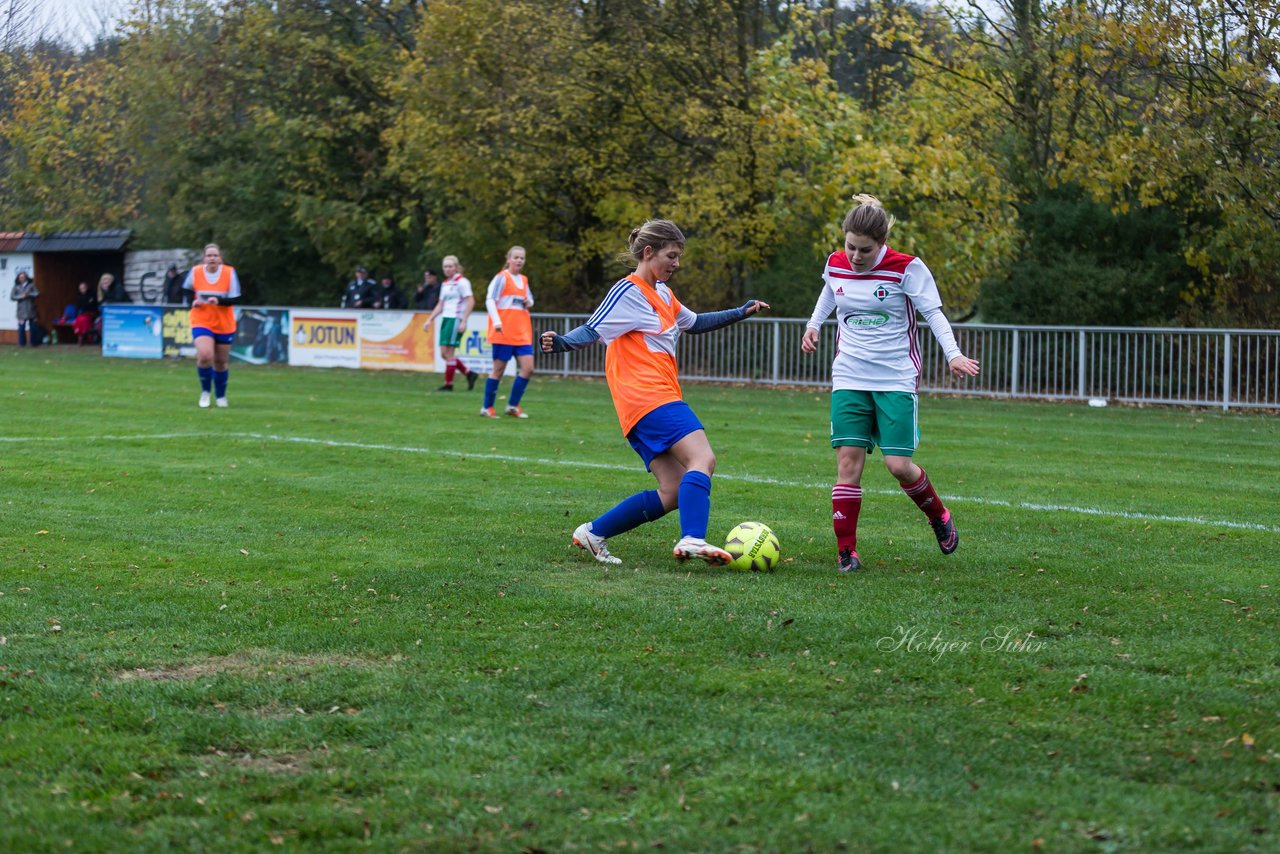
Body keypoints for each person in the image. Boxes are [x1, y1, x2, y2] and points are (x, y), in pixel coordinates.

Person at [541, 219, 769, 566]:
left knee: (674, 490)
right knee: (702, 459)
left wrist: (741, 311)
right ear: (649, 253)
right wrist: (560, 343)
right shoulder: (628, 290)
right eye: (672, 256)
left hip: (645, 404)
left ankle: (593, 532)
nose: (676, 264)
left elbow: (694, 323)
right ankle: (693, 538)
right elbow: (592, 328)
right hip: (648, 396)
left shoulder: (663, 292)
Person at [801, 194, 981, 573]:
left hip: (896, 377)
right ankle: (846, 552)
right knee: (847, 465)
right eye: (850, 246)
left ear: (882, 244)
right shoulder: (836, 263)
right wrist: (813, 325)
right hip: (849, 375)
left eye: (864, 250)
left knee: (899, 465)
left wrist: (953, 354)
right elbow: (830, 290)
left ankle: (938, 515)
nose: (854, 256)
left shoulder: (907, 268)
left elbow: (933, 314)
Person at [182, 243, 243, 408]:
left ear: (220, 258)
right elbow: (186, 290)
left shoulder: (229, 273)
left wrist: (219, 301)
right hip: (202, 319)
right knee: (205, 355)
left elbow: (236, 298)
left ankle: (221, 396)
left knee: (221, 361)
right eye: (209, 255)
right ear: (204, 258)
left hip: (224, 322)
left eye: (215, 255)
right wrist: (192, 302)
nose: (212, 258)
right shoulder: (195, 272)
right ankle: (205, 392)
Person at [480, 246, 537, 417]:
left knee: (528, 368)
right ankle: (487, 407)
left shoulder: (524, 280)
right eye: (516, 257)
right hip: (504, 333)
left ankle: (512, 405)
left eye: (522, 258)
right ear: (508, 259)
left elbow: (530, 300)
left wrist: (529, 302)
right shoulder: (501, 278)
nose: (519, 260)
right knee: (498, 370)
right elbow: (490, 300)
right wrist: (497, 321)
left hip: (522, 333)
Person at [424, 255, 480, 392]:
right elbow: (441, 304)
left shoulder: (462, 282)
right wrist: (429, 319)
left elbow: (471, 301)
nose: (448, 269)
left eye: (450, 266)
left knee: (449, 352)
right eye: (445, 266)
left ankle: (449, 384)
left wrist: (464, 320)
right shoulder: (445, 283)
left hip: (456, 319)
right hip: (446, 319)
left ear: (456, 267)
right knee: (444, 353)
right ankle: (469, 373)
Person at [10, 271, 39, 347]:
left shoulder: (31, 285)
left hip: (31, 310)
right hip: (21, 311)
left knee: (33, 328)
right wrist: (20, 296)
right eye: (20, 277)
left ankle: (33, 343)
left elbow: (37, 293)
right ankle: (22, 343)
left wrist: (29, 294)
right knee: (21, 328)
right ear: (18, 278)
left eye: (23, 277)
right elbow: (12, 296)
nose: (21, 278)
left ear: (26, 277)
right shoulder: (16, 286)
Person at [73, 281, 99, 345]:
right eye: (81, 288)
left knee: (84, 319)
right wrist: (87, 304)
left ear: (86, 287)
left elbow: (92, 304)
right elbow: (78, 306)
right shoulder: (79, 296)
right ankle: (81, 336)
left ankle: (82, 337)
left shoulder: (92, 294)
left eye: (83, 288)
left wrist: (86, 304)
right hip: (82, 313)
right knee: (78, 320)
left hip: (92, 312)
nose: (82, 289)